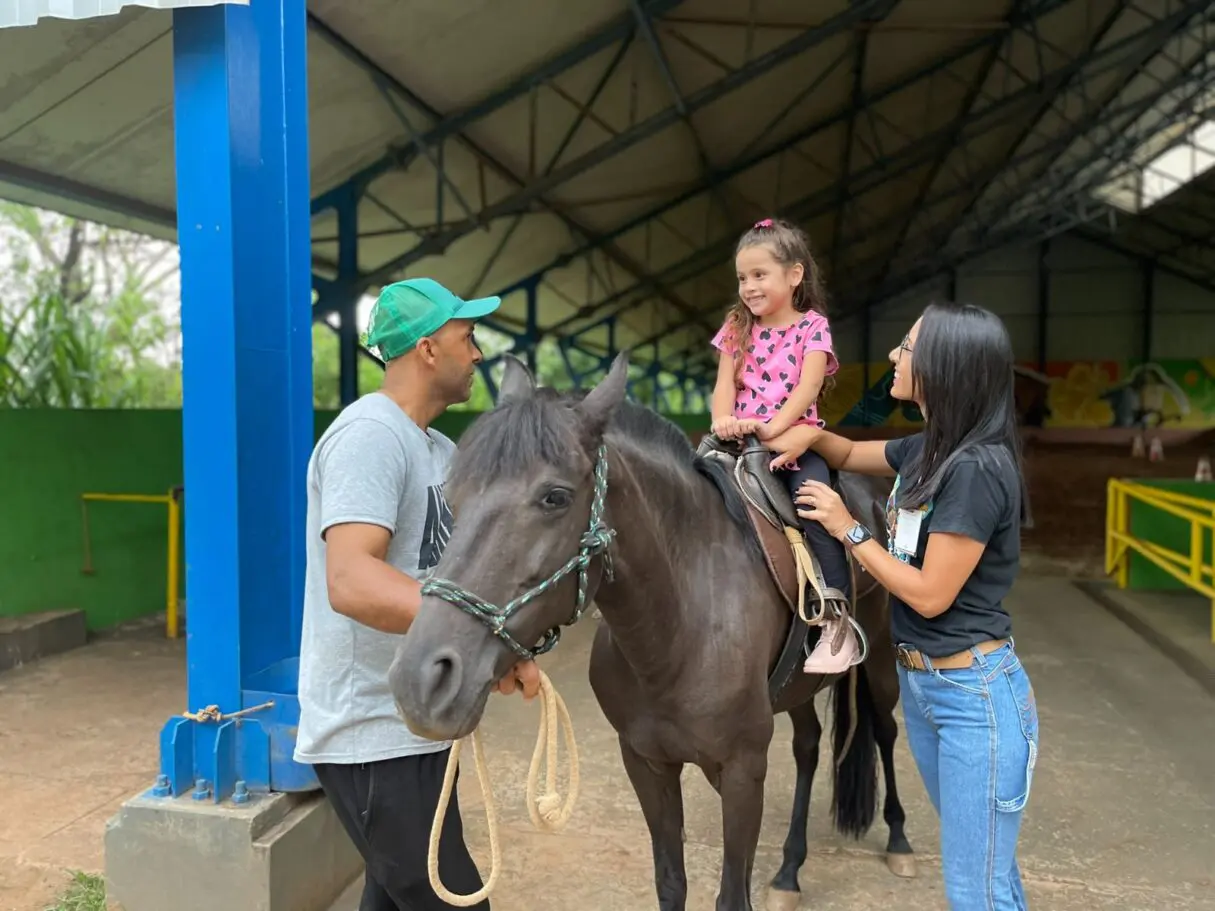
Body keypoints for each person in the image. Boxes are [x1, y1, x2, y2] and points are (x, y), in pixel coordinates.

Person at [774, 300, 1039, 909]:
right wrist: (805, 431)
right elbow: (845, 455)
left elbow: (929, 593)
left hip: (974, 697)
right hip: (928, 691)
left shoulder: (974, 469)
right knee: (989, 875)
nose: (894, 356)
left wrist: (849, 529)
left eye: (907, 347)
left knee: (977, 892)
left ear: (946, 367)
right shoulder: (929, 450)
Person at [294, 277, 540, 911]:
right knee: (450, 899)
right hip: (371, 734)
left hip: (419, 722)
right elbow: (350, 579)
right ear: (428, 349)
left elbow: (450, 584)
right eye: (469, 336)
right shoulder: (370, 436)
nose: (478, 352)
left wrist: (498, 650)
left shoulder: (439, 450)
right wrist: (489, 637)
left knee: (393, 896)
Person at [708, 216, 860, 673]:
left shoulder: (812, 327)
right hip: (738, 439)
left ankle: (837, 623)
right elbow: (723, 386)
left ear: (794, 275)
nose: (749, 287)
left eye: (759, 275)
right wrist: (721, 420)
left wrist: (774, 428)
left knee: (814, 509)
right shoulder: (736, 327)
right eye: (742, 278)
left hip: (792, 441)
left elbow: (808, 387)